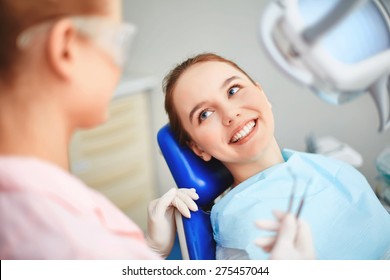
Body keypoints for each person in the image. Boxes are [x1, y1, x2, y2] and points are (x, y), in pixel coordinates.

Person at [0, 0, 313, 260]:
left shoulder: (43, 204)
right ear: (66, 48)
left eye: (233, 90)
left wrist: (150, 255)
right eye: (117, 40)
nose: (231, 114)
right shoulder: (57, 238)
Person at [162, 52, 390, 260]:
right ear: (198, 149)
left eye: (233, 90)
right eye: (205, 114)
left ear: (261, 93)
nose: (230, 114)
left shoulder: (325, 167)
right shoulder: (242, 226)